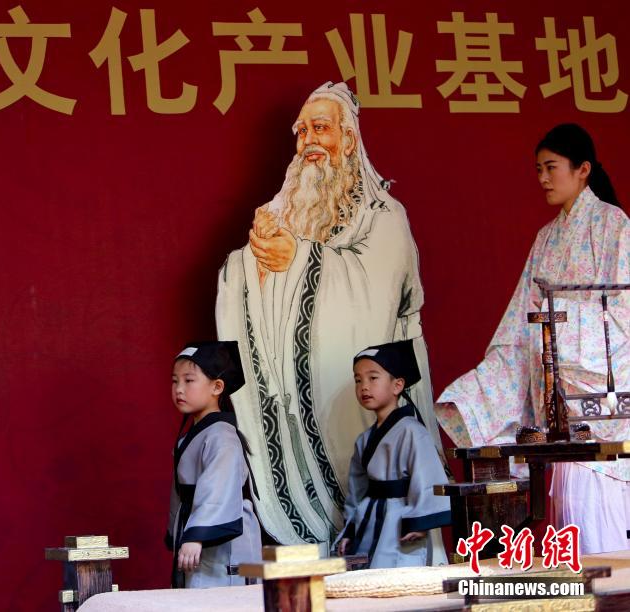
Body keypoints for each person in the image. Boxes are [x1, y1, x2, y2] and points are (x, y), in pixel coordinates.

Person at [216, 81, 443, 549]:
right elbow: (247, 279)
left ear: (349, 139)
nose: (309, 142)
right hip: (311, 409)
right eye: (302, 132)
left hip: (373, 408)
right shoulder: (288, 211)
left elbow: (372, 291)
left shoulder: (384, 216)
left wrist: (298, 259)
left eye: (322, 128)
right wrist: (252, 261)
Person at [436, 123, 630, 554]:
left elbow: (622, 312)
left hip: (597, 391)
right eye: (538, 169)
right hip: (556, 395)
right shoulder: (546, 238)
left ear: (583, 170)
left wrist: (558, 326)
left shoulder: (613, 225)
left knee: (596, 518)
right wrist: (493, 374)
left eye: (551, 167)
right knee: (567, 511)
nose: (542, 178)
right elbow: (521, 323)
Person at [334, 341, 450, 568]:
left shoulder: (412, 431)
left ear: (397, 385)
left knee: (402, 576)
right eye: (358, 380)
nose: (364, 387)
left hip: (402, 519)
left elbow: (429, 480)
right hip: (371, 518)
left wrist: (418, 523)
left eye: (372, 378)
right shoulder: (364, 440)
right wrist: (350, 530)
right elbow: (357, 492)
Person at [166, 341, 262, 588]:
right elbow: (180, 495)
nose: (179, 389)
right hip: (199, 526)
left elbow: (218, 489)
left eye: (189, 381)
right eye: (175, 381)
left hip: (224, 537)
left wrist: (197, 535)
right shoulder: (192, 436)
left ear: (217, 387)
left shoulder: (221, 435)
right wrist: (180, 532)